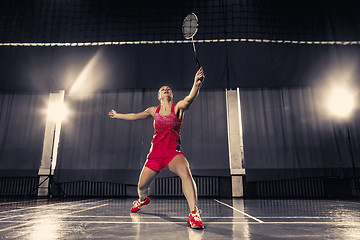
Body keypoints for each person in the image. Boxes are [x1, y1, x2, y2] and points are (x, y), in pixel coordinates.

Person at [108, 67, 205, 229]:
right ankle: (141, 200)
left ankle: (194, 214)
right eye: (162, 89)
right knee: (141, 187)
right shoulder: (153, 111)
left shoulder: (178, 107)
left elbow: (190, 99)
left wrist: (196, 84)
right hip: (155, 155)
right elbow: (135, 116)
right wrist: (118, 115)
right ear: (159, 96)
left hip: (172, 153)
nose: (166, 89)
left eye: (168, 89)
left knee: (186, 173)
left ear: (171, 95)